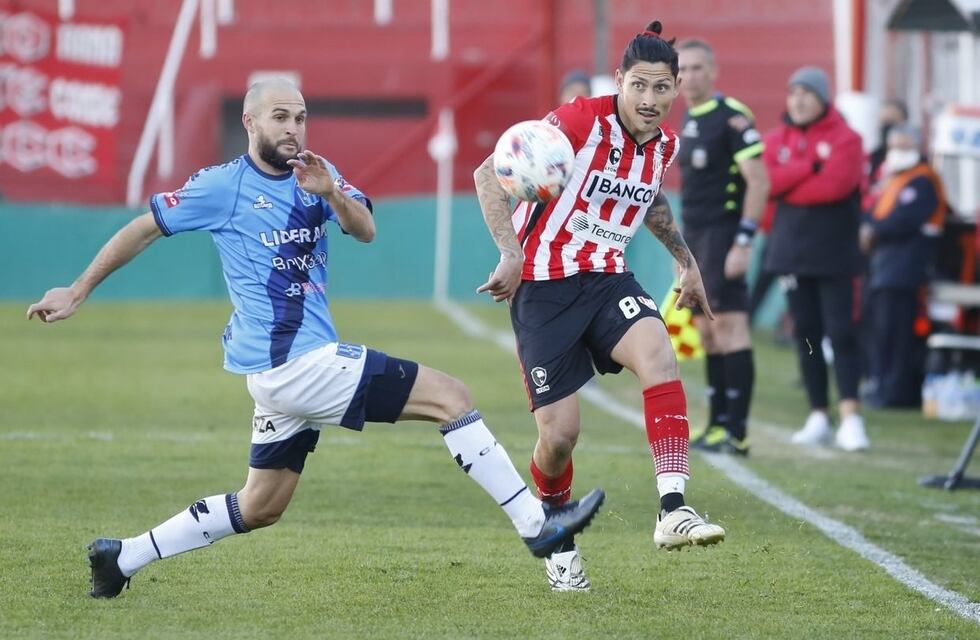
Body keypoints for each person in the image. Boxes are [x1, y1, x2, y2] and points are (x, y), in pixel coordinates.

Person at [26, 79, 605, 599]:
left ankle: (122, 558)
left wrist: (331, 193)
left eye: (300, 117)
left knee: (260, 505)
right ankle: (537, 526)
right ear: (250, 122)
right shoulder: (222, 186)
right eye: (279, 117)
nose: (292, 128)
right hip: (295, 364)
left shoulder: (316, 174)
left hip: (285, 374)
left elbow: (366, 229)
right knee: (451, 397)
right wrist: (78, 289)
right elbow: (144, 228)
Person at [473, 20, 725, 593]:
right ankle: (557, 538)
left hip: (608, 278)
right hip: (543, 287)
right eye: (639, 85)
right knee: (559, 437)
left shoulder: (664, 145)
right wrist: (510, 253)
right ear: (619, 80)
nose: (650, 99)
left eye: (662, 87)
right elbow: (488, 173)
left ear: (676, 87)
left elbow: (650, 199)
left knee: (659, 353)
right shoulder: (581, 120)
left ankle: (673, 509)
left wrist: (686, 262)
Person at [761, 66, 870, 451]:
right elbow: (768, 182)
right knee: (806, 335)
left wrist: (791, 184)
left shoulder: (847, 139)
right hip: (791, 252)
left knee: (841, 333)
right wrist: (810, 167)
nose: (798, 100)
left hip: (834, 253)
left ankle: (851, 416)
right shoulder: (776, 139)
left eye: (806, 93)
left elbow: (835, 186)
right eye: (793, 93)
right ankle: (819, 413)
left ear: (823, 98)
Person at [676, 39, 770, 456]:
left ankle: (738, 431)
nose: (689, 77)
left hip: (724, 234)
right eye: (682, 70)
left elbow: (759, 181)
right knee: (707, 332)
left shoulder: (732, 117)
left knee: (730, 327)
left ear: (713, 71)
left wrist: (743, 242)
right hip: (695, 238)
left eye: (697, 68)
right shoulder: (687, 118)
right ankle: (716, 424)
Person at [861, 124, 946, 407]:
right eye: (894, 145)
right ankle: (880, 384)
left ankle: (894, 391)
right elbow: (873, 211)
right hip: (886, 266)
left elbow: (903, 221)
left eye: (904, 144)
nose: (898, 150)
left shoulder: (922, 180)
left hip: (905, 268)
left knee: (896, 333)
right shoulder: (895, 178)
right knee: (881, 331)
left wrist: (873, 229)